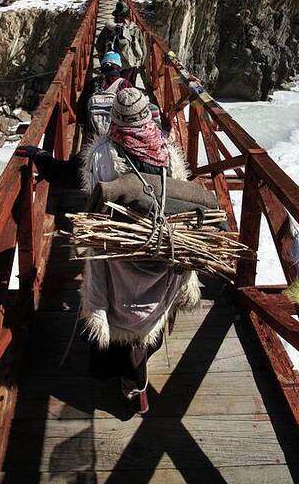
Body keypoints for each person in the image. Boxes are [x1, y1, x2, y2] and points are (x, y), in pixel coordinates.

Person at [80, 87, 200, 413]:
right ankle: (137, 378)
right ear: (147, 116)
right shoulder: (167, 151)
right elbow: (184, 199)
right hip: (163, 247)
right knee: (151, 306)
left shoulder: (103, 153)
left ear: (115, 120)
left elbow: (95, 198)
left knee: (116, 303)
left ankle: (128, 377)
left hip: (118, 247)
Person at [95, 0, 146, 84]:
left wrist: (102, 60)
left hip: (112, 65)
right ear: (127, 16)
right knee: (128, 86)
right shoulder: (134, 29)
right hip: (129, 64)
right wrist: (139, 63)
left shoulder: (108, 29)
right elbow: (142, 48)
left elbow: (99, 45)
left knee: (112, 87)